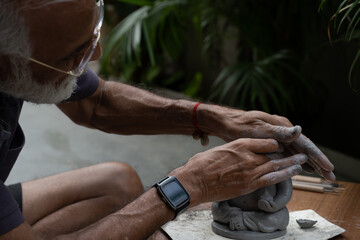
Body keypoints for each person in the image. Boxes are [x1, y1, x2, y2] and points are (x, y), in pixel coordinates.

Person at [0, 0, 335, 239]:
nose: (96, 56)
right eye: (73, 55)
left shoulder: (22, 55)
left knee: (118, 183)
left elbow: (96, 102)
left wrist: (212, 117)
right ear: (7, 59)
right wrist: (190, 185)